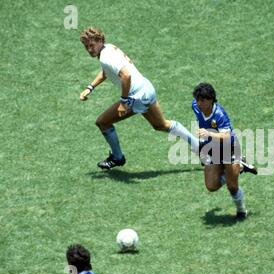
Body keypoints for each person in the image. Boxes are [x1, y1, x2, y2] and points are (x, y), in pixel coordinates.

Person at [79, 27, 199, 169]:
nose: (89, 50)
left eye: (91, 45)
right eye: (86, 47)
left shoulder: (105, 56)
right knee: (161, 125)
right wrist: (90, 88)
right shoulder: (109, 48)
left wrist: (124, 102)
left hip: (136, 96)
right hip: (146, 88)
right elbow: (106, 72)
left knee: (102, 122)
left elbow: (126, 75)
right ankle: (199, 147)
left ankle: (118, 158)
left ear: (100, 41)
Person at [192, 83, 257, 220]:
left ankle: (241, 211)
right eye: (198, 100)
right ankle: (240, 168)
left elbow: (226, 136)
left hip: (229, 148)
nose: (199, 103)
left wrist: (208, 134)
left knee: (232, 187)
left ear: (211, 100)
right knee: (211, 186)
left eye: (203, 100)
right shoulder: (196, 106)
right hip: (213, 150)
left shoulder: (219, 115)